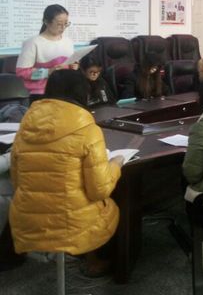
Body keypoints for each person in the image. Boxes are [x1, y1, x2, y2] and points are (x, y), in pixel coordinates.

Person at [9, 70, 123, 276]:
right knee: (108, 206)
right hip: (72, 225)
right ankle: (95, 263)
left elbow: (17, 182)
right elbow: (100, 190)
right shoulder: (88, 130)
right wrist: (116, 164)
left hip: (28, 221)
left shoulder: (25, 126)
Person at [16, 4, 77, 98]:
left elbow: (70, 65)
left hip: (67, 89)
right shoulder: (33, 43)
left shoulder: (68, 41)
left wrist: (74, 66)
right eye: (59, 24)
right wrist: (48, 72)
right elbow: (22, 73)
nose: (63, 27)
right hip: (42, 93)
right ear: (46, 22)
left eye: (66, 23)